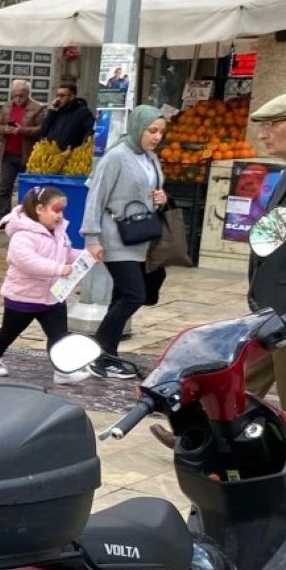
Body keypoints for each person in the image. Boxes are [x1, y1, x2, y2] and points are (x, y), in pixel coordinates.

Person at [80, 105, 168, 379]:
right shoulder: (116, 157)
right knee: (134, 295)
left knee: (121, 296)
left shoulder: (150, 158)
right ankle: (99, 353)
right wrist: (92, 238)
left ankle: (109, 355)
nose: (156, 137)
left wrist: (160, 198)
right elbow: (96, 197)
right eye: (151, 131)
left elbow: (150, 188)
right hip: (115, 236)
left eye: (161, 132)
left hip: (139, 237)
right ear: (137, 128)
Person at [0, 186, 90, 384]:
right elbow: (27, 262)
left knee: (59, 335)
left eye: (62, 210)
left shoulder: (59, 233)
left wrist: (87, 255)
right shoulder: (22, 235)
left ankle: (63, 370)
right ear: (40, 209)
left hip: (53, 296)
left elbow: (67, 253)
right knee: (9, 331)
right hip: (23, 297)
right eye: (56, 209)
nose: (60, 215)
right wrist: (58, 269)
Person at [245, 92, 286, 435]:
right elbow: (273, 233)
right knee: (240, 381)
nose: (263, 134)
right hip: (276, 308)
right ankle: (204, 437)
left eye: (271, 125)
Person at [0, 79, 46, 229]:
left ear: (28, 94)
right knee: (5, 187)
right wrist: (5, 130)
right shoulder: (7, 107)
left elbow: (42, 130)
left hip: (28, 155)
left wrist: (21, 130)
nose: (17, 99)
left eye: (20, 95)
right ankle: (2, 217)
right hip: (8, 153)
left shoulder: (38, 108)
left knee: (28, 189)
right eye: (14, 95)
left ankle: (27, 218)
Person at [41, 83, 95, 151]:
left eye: (62, 96)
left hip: (71, 156)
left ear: (72, 97)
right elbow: (44, 132)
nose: (58, 99)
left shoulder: (83, 112)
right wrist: (52, 110)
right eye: (57, 96)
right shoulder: (56, 111)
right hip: (53, 156)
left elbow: (90, 132)